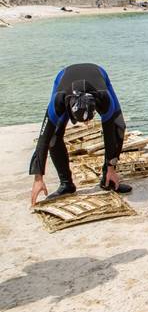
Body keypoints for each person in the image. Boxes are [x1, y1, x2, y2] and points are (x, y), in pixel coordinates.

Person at [29, 63, 131, 205]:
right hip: (64, 77)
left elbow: (110, 134)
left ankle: (107, 179)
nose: (86, 124)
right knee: (53, 136)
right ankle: (66, 185)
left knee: (118, 126)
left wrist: (111, 167)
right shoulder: (58, 100)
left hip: (98, 74)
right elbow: (43, 138)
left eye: (89, 120)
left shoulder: (103, 97)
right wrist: (38, 179)